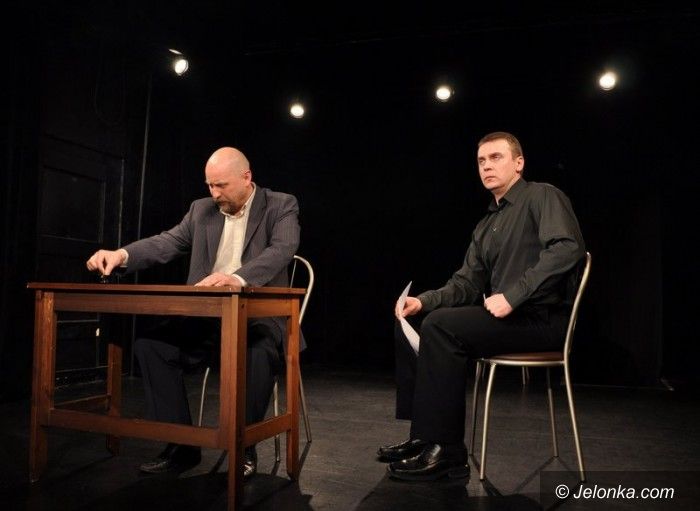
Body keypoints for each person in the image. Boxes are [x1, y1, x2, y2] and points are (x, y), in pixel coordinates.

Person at [378, 131, 585, 481]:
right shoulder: (487, 223)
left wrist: (514, 295)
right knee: (426, 321)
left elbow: (567, 248)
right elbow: (467, 284)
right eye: (481, 161)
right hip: (511, 320)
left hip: (543, 320)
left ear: (518, 163)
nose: (487, 166)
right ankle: (425, 436)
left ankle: (448, 453)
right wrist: (423, 301)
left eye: (496, 157)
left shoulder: (542, 195)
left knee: (441, 327)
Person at [86, 147, 300, 479]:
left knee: (256, 355)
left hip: (256, 320)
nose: (214, 194)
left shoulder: (280, 205)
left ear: (246, 177)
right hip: (206, 319)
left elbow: (282, 249)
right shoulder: (201, 210)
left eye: (221, 185)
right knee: (151, 346)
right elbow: (166, 242)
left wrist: (237, 278)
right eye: (209, 185)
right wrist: (121, 255)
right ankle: (182, 446)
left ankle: (244, 445)